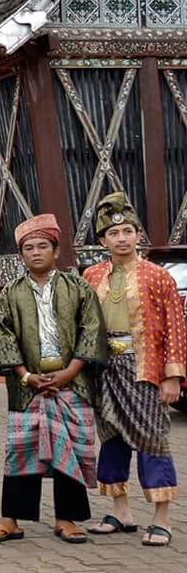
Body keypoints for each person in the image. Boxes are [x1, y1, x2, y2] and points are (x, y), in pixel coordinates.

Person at [0, 214, 106, 546]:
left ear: (55, 249)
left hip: (71, 382)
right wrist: (25, 375)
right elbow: (3, 336)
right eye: (28, 248)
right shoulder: (11, 293)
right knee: (20, 451)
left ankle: (67, 519)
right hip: (29, 385)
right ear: (21, 255)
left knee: (71, 447)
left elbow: (91, 330)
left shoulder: (78, 288)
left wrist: (69, 372)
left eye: (42, 246)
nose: (36, 253)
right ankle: (11, 519)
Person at [82, 193, 185, 547]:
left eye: (128, 231)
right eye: (113, 233)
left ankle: (161, 518)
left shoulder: (158, 277)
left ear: (138, 235)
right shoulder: (91, 275)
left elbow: (175, 327)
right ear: (102, 240)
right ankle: (120, 511)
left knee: (152, 440)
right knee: (111, 439)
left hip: (144, 368)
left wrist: (172, 375)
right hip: (104, 369)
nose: (121, 238)